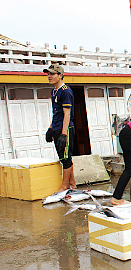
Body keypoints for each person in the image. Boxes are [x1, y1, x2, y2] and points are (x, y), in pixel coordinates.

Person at [44, 64, 76, 193]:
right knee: (66, 157)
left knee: (65, 158)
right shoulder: (54, 91)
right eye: (48, 74)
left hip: (65, 128)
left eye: (52, 74)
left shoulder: (65, 90)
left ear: (60, 75)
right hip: (57, 127)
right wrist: (51, 128)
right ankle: (72, 184)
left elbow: (67, 114)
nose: (49, 76)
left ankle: (64, 186)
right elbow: (56, 112)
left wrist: (63, 135)